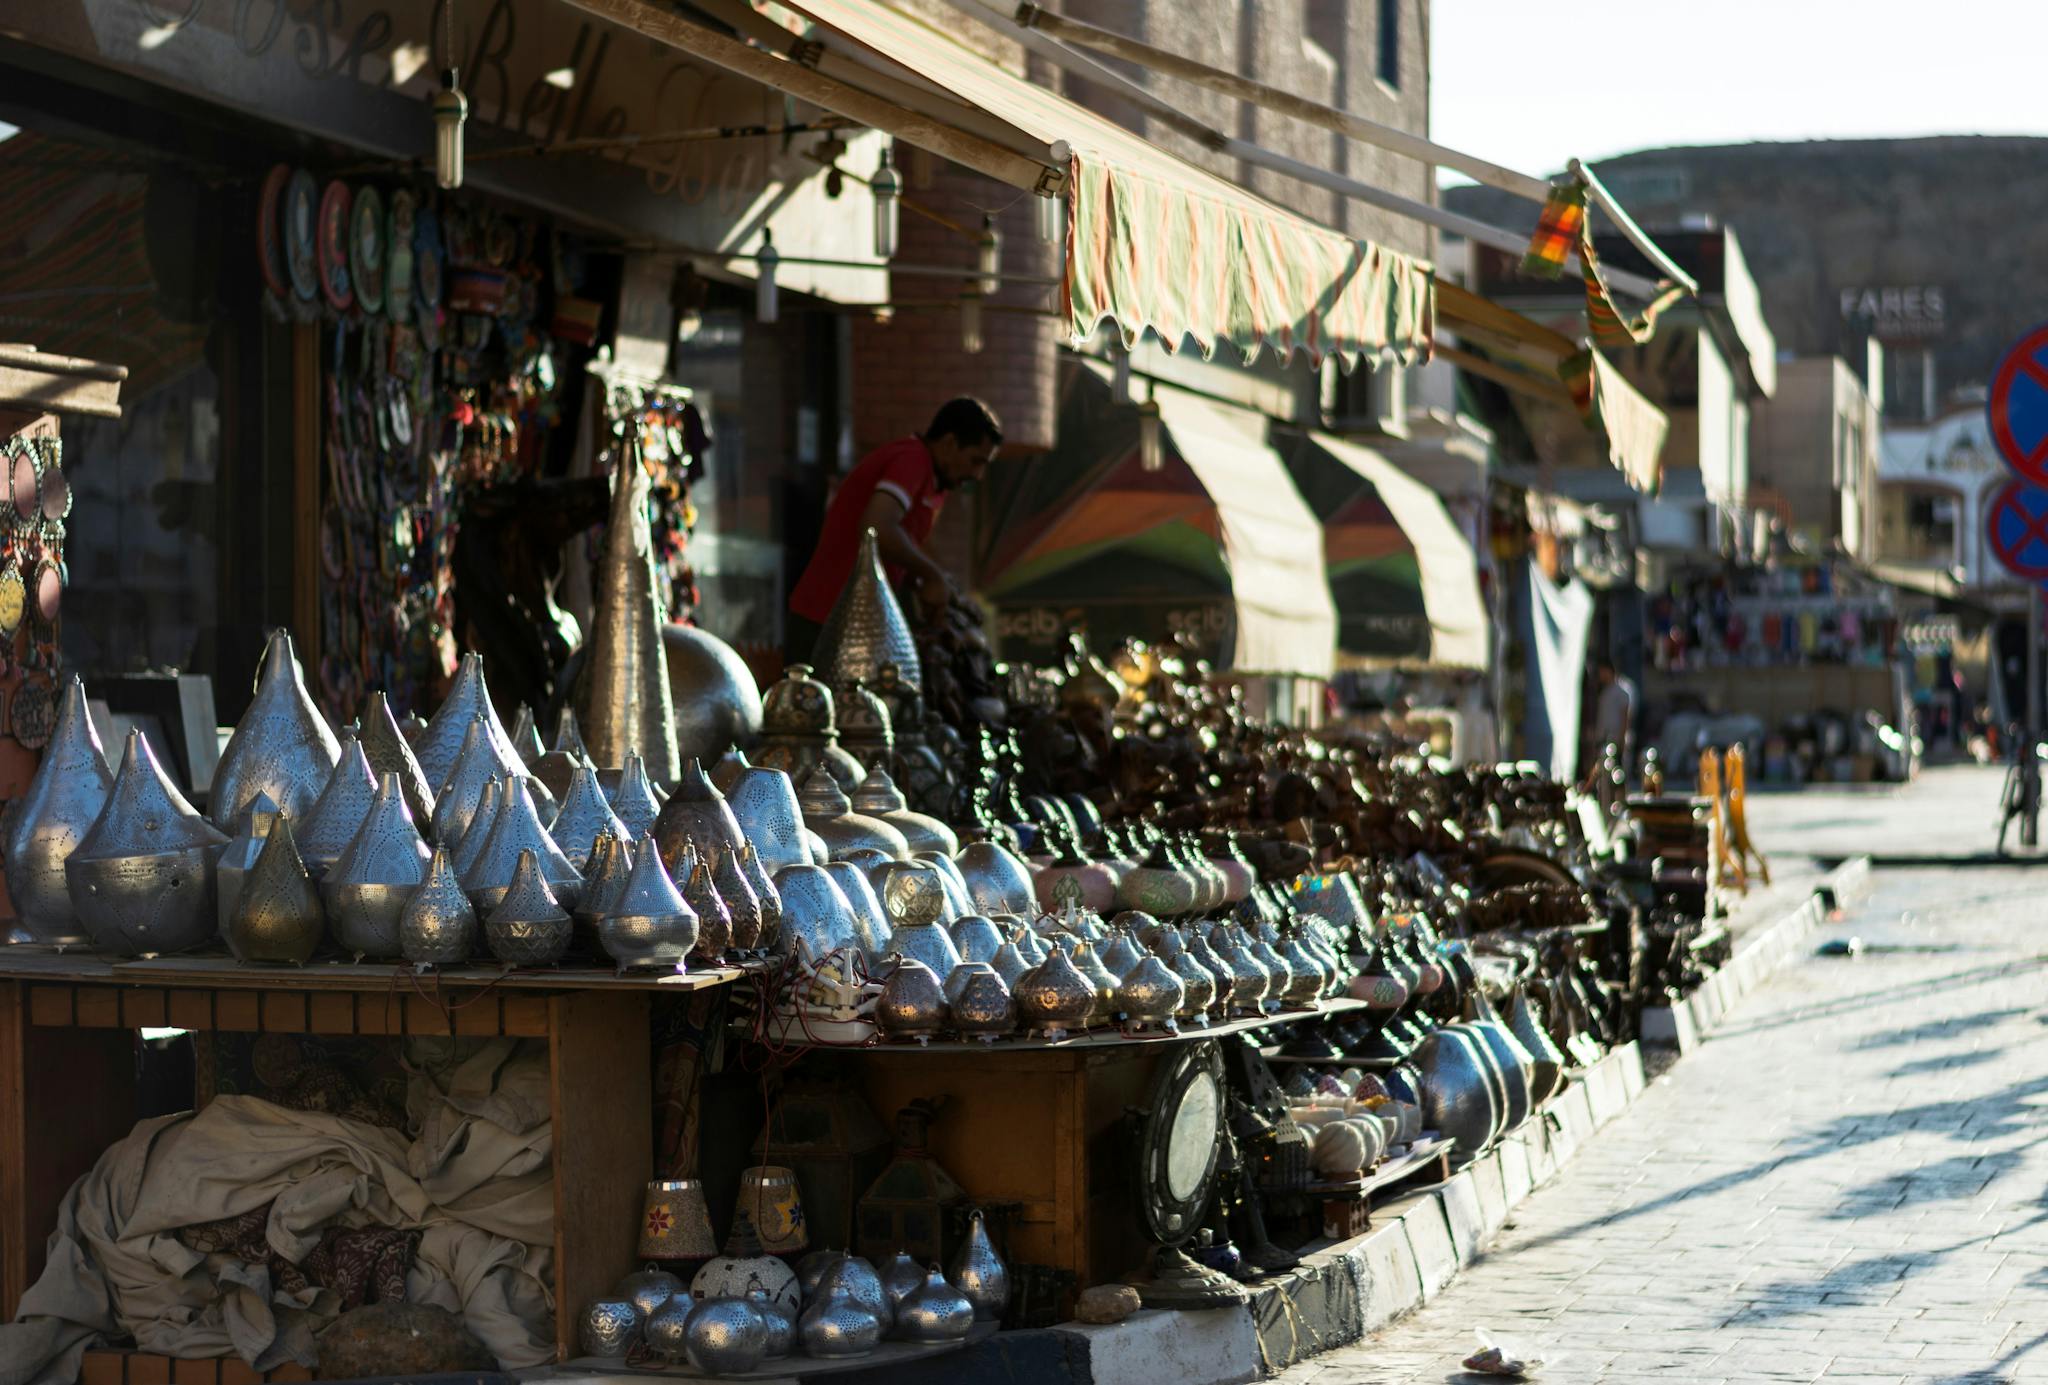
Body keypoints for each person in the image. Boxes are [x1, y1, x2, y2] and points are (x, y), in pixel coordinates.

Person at [786, 397, 1003, 662]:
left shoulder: (934, 481)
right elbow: (876, 528)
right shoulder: (912, 461)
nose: (977, 475)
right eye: (975, 461)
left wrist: (926, 583)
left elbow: (897, 550)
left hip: (859, 625)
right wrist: (931, 575)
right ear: (948, 443)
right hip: (828, 620)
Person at [1588, 659, 1637, 781]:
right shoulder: (1605, 691)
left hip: (1615, 737)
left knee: (1617, 773)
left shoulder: (1622, 692)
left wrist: (1622, 738)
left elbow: (1625, 716)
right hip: (1604, 737)